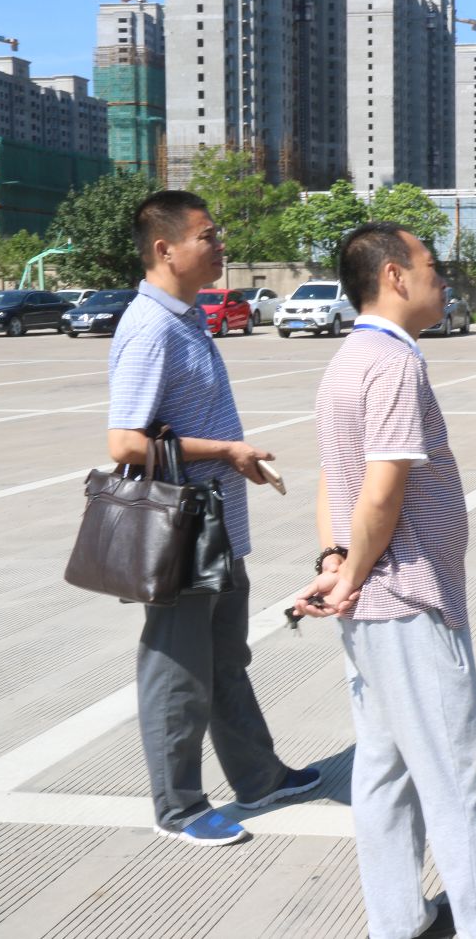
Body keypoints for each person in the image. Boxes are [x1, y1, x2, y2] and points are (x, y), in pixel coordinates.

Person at [295, 224, 476, 939]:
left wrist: (335, 563)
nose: (442, 276)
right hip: (407, 595)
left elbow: (334, 476)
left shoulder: (348, 357)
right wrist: (351, 573)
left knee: (385, 769)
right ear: (394, 276)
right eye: (431, 264)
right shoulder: (393, 362)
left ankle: (398, 920)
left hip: (371, 597)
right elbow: (382, 488)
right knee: (458, 775)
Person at [107, 190, 318, 847]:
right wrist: (226, 451)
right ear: (165, 249)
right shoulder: (150, 327)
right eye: (207, 236)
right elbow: (125, 442)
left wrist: (233, 459)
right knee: (178, 668)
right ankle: (178, 806)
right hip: (182, 533)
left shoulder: (188, 318)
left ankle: (258, 776)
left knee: (226, 656)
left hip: (217, 523)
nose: (220, 244)